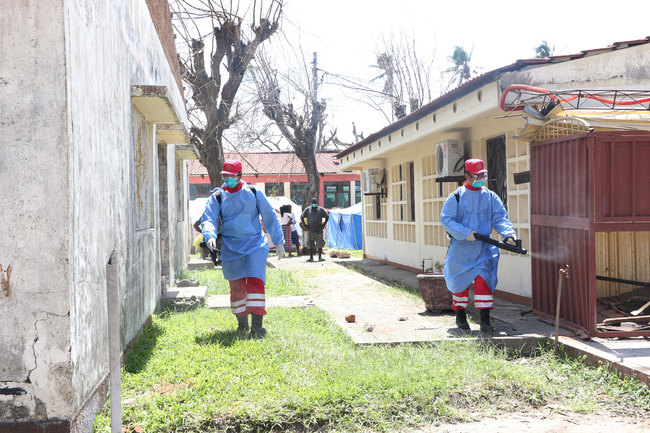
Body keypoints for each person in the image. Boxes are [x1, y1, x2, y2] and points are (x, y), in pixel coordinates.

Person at [201, 159, 285, 338]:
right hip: (231, 246)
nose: (228, 179)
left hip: (254, 244)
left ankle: (257, 327)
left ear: (240, 176)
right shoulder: (217, 196)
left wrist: (279, 241)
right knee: (236, 286)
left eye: (232, 176)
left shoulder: (254, 192)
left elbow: (269, 216)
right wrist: (209, 236)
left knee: (255, 283)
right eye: (226, 176)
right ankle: (242, 325)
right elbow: (208, 218)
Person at [440, 158, 517, 333]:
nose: (480, 178)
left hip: (484, 249)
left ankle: (485, 320)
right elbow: (446, 219)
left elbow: (499, 217)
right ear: (466, 175)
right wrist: (466, 233)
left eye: (483, 175)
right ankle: (460, 316)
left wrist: (509, 233)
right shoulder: (456, 197)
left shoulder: (490, 196)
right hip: (461, 249)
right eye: (477, 175)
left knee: (485, 283)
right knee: (459, 282)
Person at [301, 197, 329, 262]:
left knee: (320, 244)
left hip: (319, 230)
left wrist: (323, 225)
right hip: (310, 230)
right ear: (311, 203)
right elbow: (302, 217)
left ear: (317, 203)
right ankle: (311, 257)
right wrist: (306, 226)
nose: (314, 204)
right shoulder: (307, 210)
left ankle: (320, 257)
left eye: (315, 203)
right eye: (313, 203)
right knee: (310, 244)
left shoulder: (321, 210)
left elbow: (327, 216)